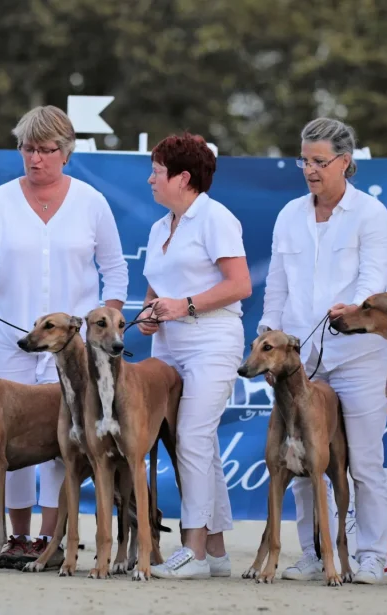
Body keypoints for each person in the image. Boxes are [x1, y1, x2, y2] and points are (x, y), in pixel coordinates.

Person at [0, 105, 128, 569]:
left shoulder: (92, 201)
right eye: (27, 148)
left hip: (77, 347)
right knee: (7, 440)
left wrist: (110, 320)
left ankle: (54, 539)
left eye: (45, 149)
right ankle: (17, 538)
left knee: (67, 443)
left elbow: (115, 270)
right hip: (12, 338)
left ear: (65, 152)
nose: (35, 158)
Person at [258, 118, 387, 584]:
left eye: (320, 161)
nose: (311, 170)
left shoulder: (371, 214)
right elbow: (275, 284)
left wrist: (356, 307)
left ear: (346, 162)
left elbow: (374, 277)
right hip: (298, 363)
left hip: (357, 356)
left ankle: (372, 554)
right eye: (305, 161)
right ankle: (311, 554)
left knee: (363, 460)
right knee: (297, 458)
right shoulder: (289, 215)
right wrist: (267, 334)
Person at [138, 132, 252, 579]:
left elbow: (239, 285)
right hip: (167, 344)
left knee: (193, 438)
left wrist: (182, 305)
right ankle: (218, 553)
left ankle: (194, 553)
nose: (150, 179)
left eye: (157, 171)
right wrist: (148, 311)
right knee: (198, 446)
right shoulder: (159, 225)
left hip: (212, 340)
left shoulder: (216, 218)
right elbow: (156, 284)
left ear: (183, 178)